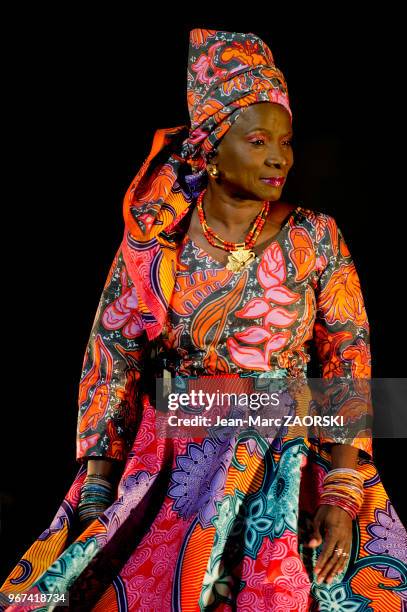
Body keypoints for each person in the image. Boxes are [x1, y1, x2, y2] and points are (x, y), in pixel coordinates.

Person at [1, 28, 406, 612]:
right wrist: (98, 483)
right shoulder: (158, 243)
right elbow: (112, 356)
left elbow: (350, 358)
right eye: (259, 140)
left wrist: (344, 493)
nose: (279, 157)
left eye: (286, 142)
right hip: (176, 460)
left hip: (288, 461)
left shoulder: (315, 235)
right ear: (211, 150)